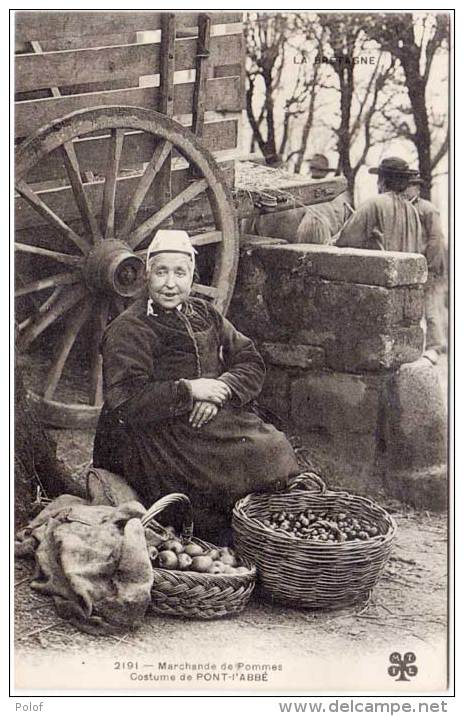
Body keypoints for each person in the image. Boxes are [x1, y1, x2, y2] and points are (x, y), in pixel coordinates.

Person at [93, 230, 300, 540]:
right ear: (147, 274)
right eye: (161, 272)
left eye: (180, 272)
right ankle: (223, 533)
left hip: (207, 417)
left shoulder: (204, 312)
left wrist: (222, 389)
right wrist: (189, 391)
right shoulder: (130, 327)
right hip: (153, 433)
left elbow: (249, 358)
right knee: (223, 473)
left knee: (273, 446)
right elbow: (125, 401)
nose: (170, 283)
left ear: (192, 275)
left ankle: (259, 530)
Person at [336, 156, 422, 252]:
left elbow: (346, 240)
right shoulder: (412, 210)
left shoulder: (373, 204)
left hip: (382, 266)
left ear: (382, 180)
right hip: (405, 266)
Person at [404, 174, 447, 356]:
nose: (407, 189)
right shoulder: (404, 207)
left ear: (417, 188)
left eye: (411, 186)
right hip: (413, 266)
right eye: (406, 186)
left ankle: (435, 346)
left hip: (429, 265)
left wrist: (430, 265)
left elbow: (436, 239)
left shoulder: (427, 209)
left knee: (431, 307)